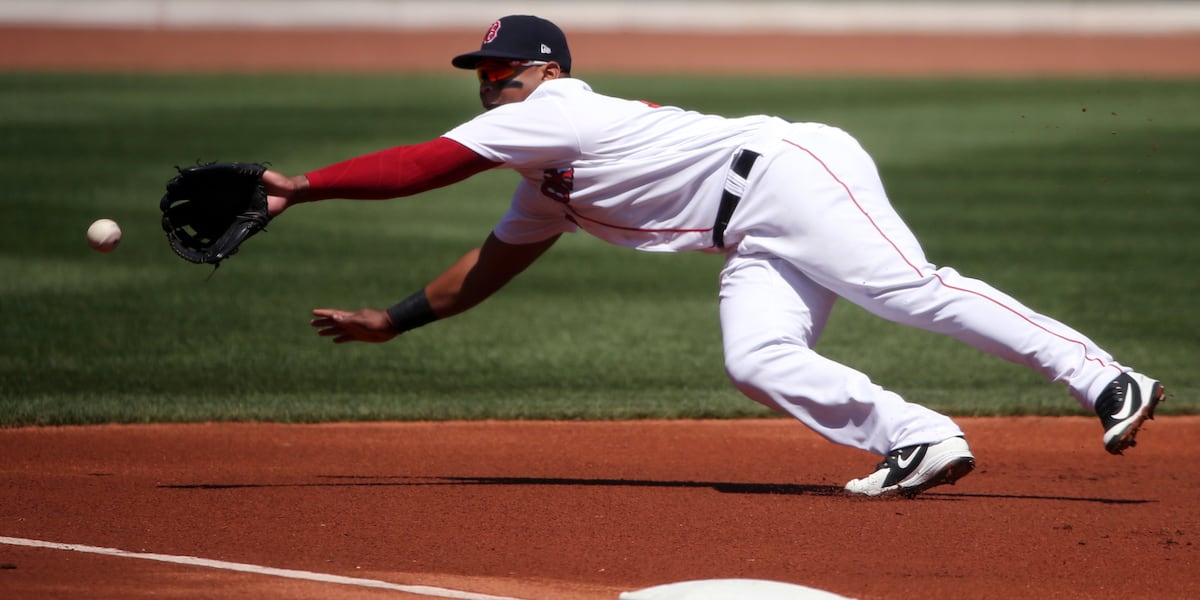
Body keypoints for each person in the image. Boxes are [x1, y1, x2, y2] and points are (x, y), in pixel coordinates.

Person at [260, 15, 1165, 497]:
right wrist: (395, 319)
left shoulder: (559, 109)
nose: (491, 82)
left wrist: (304, 185)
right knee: (756, 357)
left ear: (547, 73)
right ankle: (917, 438)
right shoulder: (545, 181)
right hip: (754, 226)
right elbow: (493, 262)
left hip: (789, 173)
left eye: (505, 71)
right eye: (482, 73)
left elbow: (426, 166)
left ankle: (1103, 379)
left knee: (910, 292)